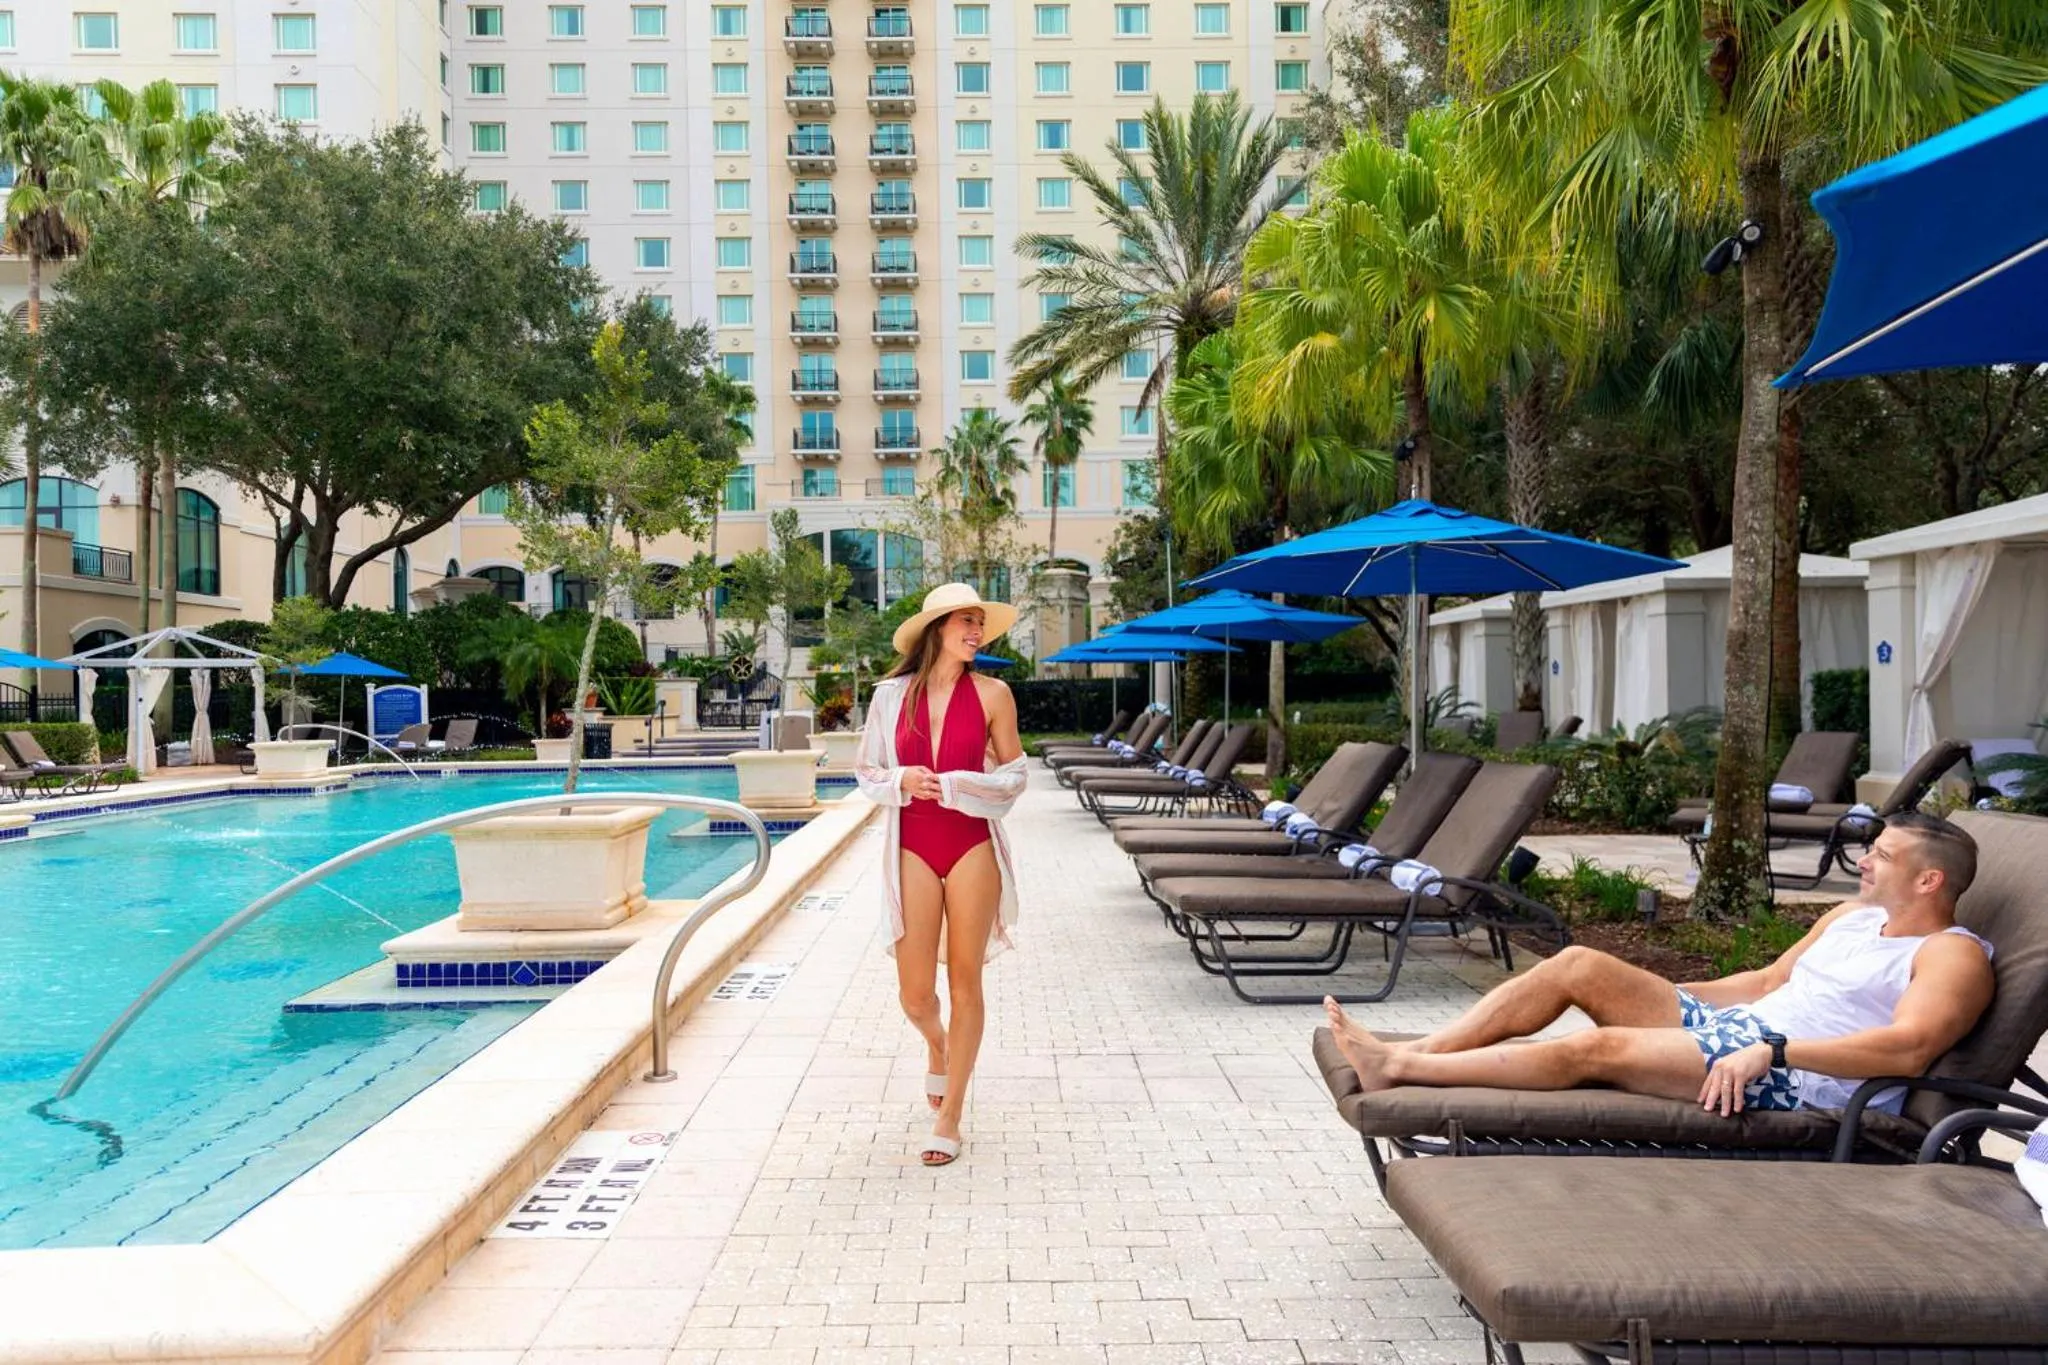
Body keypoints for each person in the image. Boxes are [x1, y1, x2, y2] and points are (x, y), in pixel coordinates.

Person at [1324, 813, 1994, 1116]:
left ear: (1929, 880)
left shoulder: (1951, 955)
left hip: (1798, 1078)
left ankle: (1404, 1069)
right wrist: (1654, 993)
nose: (1865, 860)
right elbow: (1765, 982)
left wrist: (1776, 1051)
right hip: (1744, 1030)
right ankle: (1420, 1049)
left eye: (1882, 854)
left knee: (1596, 1049)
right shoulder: (1852, 917)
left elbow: (1907, 1050)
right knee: (1580, 964)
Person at [855, 583, 1028, 1166]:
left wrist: (957, 786)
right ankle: (938, 1045)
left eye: (980, 622)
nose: (976, 632)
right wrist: (901, 780)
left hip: (972, 844)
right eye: (965, 622)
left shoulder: (994, 694)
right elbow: (867, 771)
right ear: (937, 629)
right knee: (915, 994)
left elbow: (1015, 776)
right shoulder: (889, 697)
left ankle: (951, 1113)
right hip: (914, 844)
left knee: (965, 984)